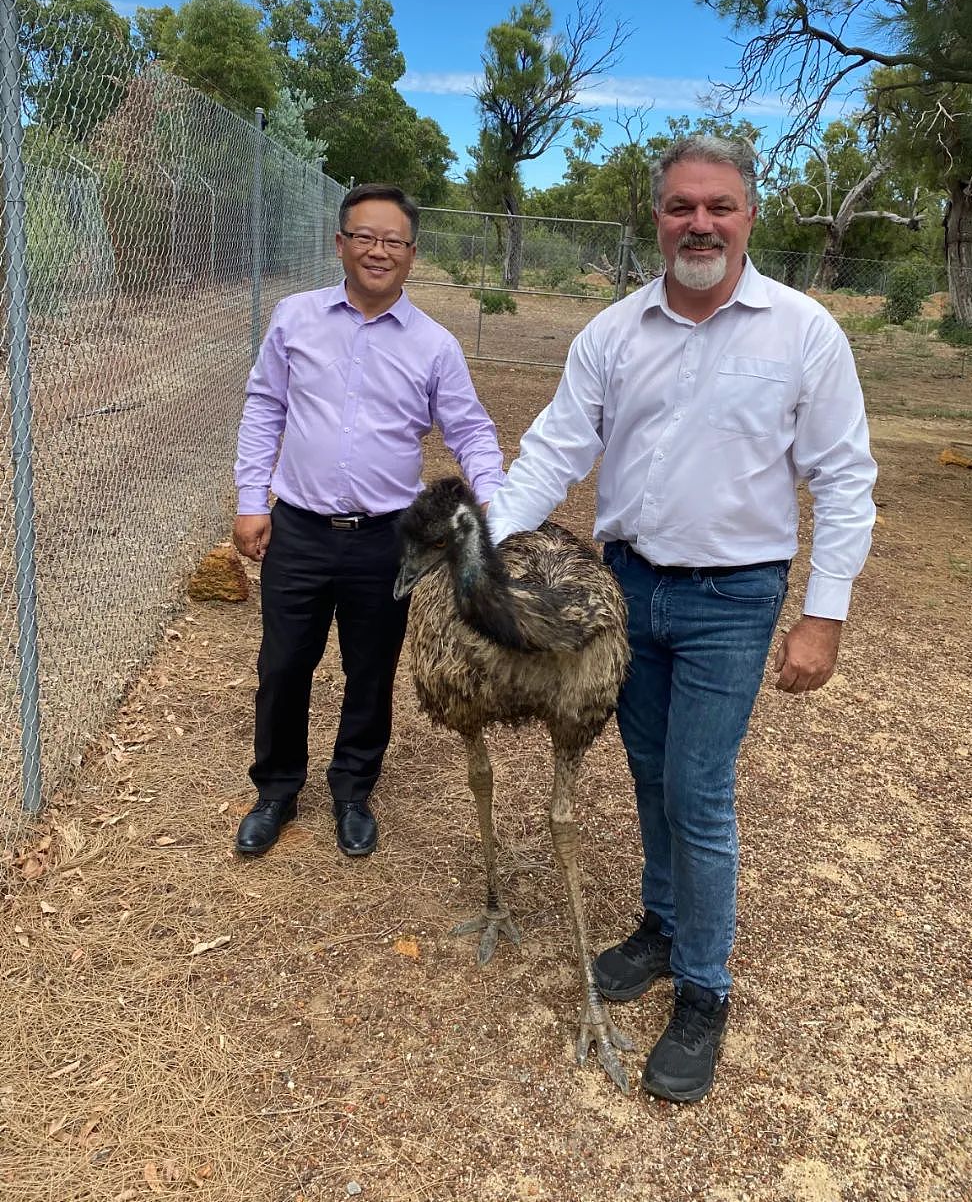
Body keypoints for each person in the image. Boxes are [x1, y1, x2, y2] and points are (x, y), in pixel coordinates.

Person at [485, 135, 876, 1103]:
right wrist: (476, 545)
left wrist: (822, 615)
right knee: (650, 772)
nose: (698, 223)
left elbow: (845, 478)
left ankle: (704, 987)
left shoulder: (803, 332)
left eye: (718, 205)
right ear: (655, 217)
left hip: (732, 600)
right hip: (627, 593)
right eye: (679, 207)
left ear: (750, 214)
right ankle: (662, 925)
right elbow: (550, 453)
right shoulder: (613, 334)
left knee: (699, 790)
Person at [233, 183, 504, 859]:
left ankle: (353, 789)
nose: (379, 250)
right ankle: (276, 789)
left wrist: (497, 496)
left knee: (371, 669)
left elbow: (469, 427)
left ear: (412, 254)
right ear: (341, 244)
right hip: (296, 528)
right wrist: (249, 498)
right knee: (284, 664)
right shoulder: (295, 319)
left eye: (394, 241)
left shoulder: (434, 345)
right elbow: (265, 406)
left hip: (387, 539)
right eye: (365, 236)